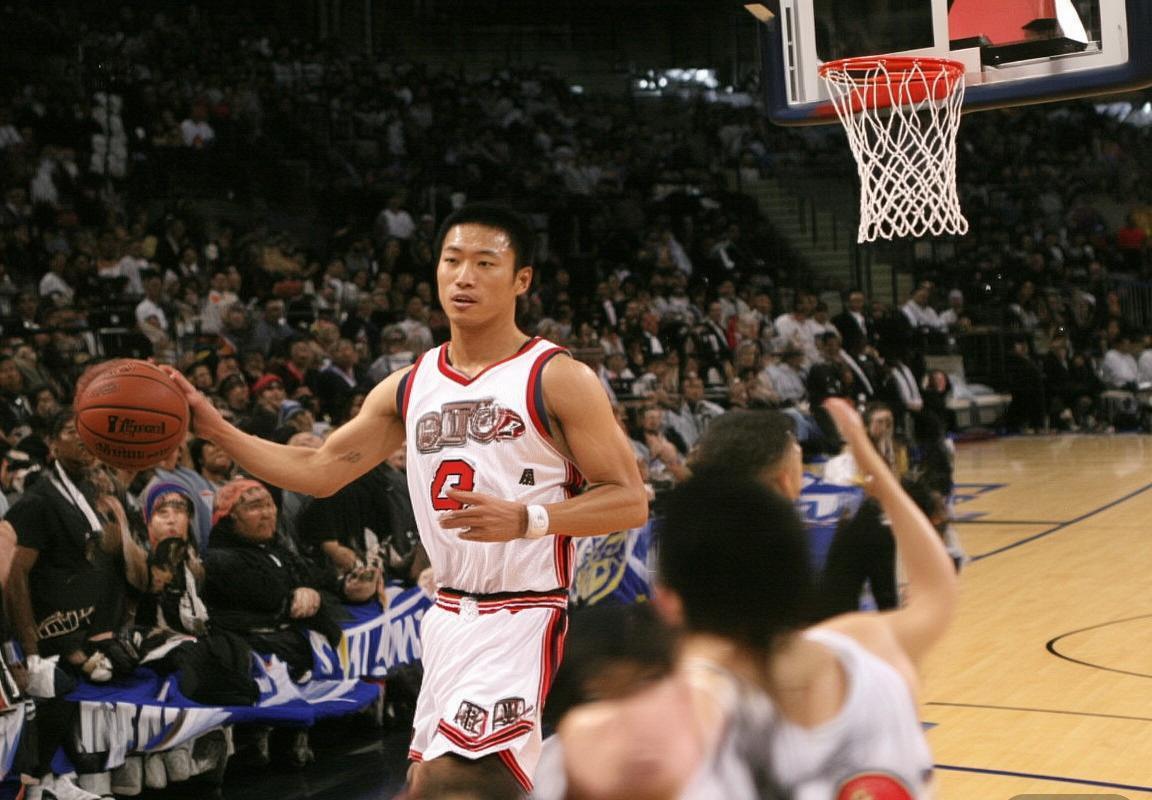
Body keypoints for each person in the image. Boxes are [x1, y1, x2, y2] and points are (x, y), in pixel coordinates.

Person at [162, 204, 647, 794]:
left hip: (521, 610)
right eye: (452, 261)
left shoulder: (555, 376)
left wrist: (529, 518)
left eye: (485, 264)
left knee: (451, 782)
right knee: (428, 784)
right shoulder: (411, 384)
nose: (464, 276)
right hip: (447, 616)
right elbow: (318, 470)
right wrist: (213, 426)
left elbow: (629, 500)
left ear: (521, 280)